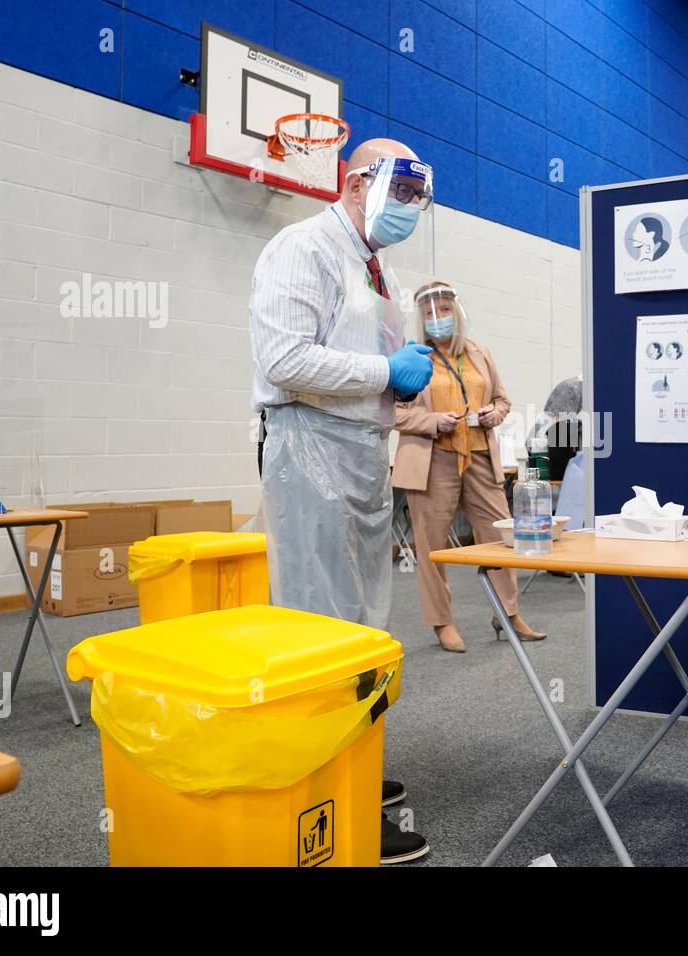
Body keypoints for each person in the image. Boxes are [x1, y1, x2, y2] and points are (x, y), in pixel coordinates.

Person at [250, 137, 437, 864]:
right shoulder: (302, 249)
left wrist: (397, 381)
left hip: (360, 451)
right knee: (318, 627)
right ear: (356, 182)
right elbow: (284, 359)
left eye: (421, 196)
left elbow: (354, 366)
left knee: (359, 627)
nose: (411, 208)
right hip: (310, 448)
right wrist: (382, 368)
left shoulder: (375, 270)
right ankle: (330, 804)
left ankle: (348, 766)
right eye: (403, 191)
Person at [392, 281, 546, 652]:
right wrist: (431, 421)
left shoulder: (479, 353)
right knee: (432, 546)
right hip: (433, 458)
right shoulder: (410, 357)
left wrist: (495, 413)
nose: (437, 318)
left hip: (479, 454)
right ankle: (441, 622)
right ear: (420, 319)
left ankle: (507, 613)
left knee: (499, 538)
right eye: (429, 313)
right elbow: (393, 412)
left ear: (456, 313)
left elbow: (503, 399)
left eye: (444, 310)